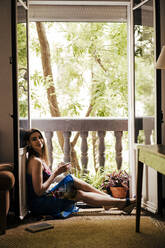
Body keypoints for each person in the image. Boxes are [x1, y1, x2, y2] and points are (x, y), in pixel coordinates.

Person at [25, 128, 136, 219]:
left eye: (40, 137)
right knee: (75, 189)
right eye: (34, 139)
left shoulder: (39, 159)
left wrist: (58, 172)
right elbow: (39, 191)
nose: (39, 141)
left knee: (75, 187)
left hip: (45, 197)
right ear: (28, 143)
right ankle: (117, 202)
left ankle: (112, 201)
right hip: (40, 203)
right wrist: (56, 173)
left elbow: (46, 181)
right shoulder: (35, 162)